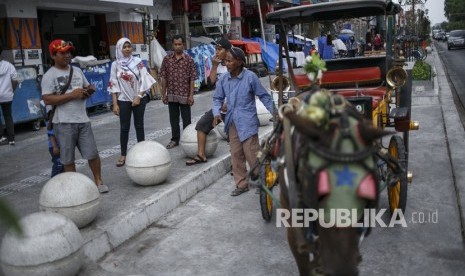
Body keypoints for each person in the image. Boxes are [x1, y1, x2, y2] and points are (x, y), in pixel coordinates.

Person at [41, 39, 108, 193]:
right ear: (53, 55)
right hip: (63, 122)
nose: (67, 55)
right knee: (68, 158)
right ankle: (75, 188)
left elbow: (86, 86)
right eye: (62, 53)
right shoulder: (49, 76)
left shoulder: (77, 71)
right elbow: (47, 99)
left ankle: (99, 181)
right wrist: (71, 95)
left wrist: (89, 90)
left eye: (69, 52)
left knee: (92, 153)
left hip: (83, 119)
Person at [212, 47, 273, 196]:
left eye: (230, 60)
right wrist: (216, 113)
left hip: (248, 121)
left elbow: (264, 96)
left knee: (252, 154)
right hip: (232, 122)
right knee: (236, 154)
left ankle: (261, 182)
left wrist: (276, 113)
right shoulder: (224, 79)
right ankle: (241, 184)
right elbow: (217, 98)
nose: (226, 63)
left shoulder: (250, 77)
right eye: (225, 61)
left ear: (239, 62)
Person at [108, 37, 156, 167]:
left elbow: (145, 79)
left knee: (139, 125)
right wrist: (115, 104)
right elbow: (113, 84)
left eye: (129, 46)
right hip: (123, 99)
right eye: (124, 47)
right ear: (119, 48)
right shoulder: (115, 64)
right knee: (124, 127)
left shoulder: (138, 61)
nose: (127, 49)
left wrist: (139, 96)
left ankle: (142, 152)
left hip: (139, 98)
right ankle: (123, 154)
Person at [186, 37, 231, 166]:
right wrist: (215, 66)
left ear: (227, 51)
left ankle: (237, 162)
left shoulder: (233, 63)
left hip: (234, 106)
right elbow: (210, 84)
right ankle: (201, 154)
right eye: (216, 49)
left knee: (234, 136)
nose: (216, 52)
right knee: (202, 124)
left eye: (220, 49)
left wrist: (229, 103)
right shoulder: (216, 64)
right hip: (219, 107)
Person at [160, 35, 197, 149]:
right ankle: (175, 139)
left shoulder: (189, 60)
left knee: (187, 120)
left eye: (179, 44)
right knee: (173, 119)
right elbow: (163, 77)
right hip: (171, 94)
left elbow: (192, 78)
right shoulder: (167, 59)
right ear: (172, 45)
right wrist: (163, 94)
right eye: (175, 44)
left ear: (183, 45)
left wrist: (191, 95)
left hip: (185, 95)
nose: (177, 46)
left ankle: (187, 139)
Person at [0, 44, 19, 146]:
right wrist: (11, 90)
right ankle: (11, 139)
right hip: (7, 95)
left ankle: (1, 137)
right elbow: (15, 80)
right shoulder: (8, 65)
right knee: (8, 116)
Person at [46, 107, 64, 177]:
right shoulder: (51, 121)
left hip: (61, 145)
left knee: (63, 165)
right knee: (58, 163)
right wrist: (55, 146)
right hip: (55, 146)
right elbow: (51, 134)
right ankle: (53, 178)